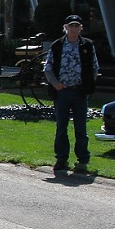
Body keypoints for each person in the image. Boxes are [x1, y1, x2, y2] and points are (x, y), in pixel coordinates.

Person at [43, 14, 99, 174]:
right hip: (62, 93)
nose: (74, 28)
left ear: (81, 28)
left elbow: (94, 67)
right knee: (61, 127)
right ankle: (61, 159)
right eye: (71, 26)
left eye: (77, 26)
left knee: (81, 128)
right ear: (65, 27)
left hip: (80, 92)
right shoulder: (58, 45)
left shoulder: (87, 45)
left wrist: (88, 83)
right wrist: (55, 83)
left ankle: (82, 161)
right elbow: (48, 68)